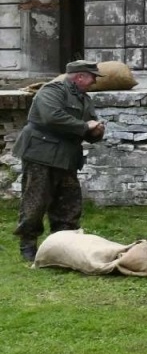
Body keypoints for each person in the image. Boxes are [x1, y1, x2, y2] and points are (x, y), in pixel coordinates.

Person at [14, 59, 105, 262]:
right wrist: (85, 127)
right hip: (41, 154)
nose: (94, 82)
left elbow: (89, 126)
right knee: (35, 202)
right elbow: (51, 117)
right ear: (80, 76)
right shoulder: (51, 91)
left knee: (69, 204)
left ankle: (63, 245)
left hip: (67, 158)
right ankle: (28, 245)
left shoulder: (84, 99)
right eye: (92, 77)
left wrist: (97, 132)